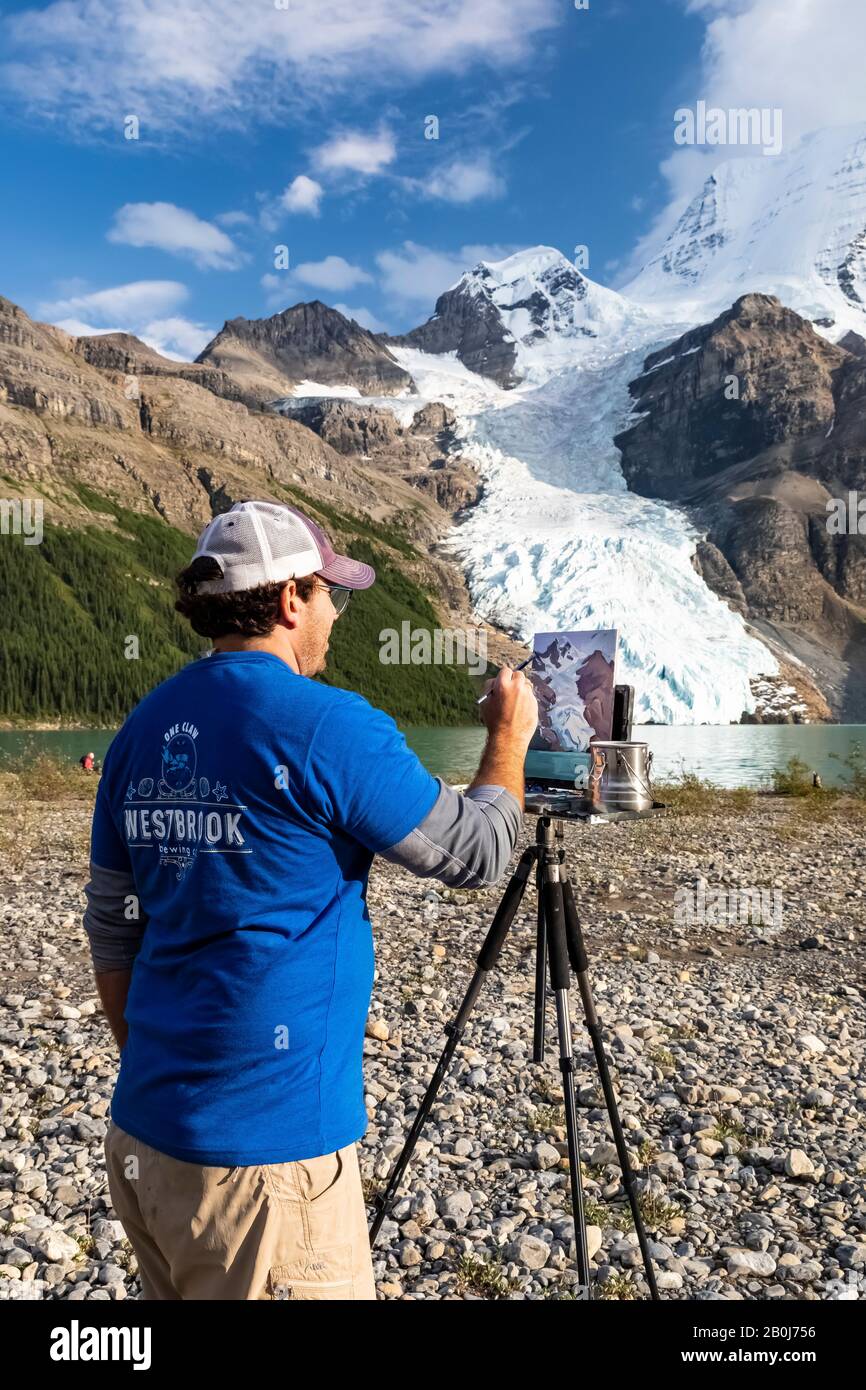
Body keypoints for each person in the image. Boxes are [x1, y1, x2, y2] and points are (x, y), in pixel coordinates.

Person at [83, 499, 538, 1301]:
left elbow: (113, 928)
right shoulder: (326, 726)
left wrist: (161, 1066)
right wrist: (510, 739)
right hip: (267, 1166)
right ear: (292, 598)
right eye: (332, 594)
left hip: (146, 1139)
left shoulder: (141, 728)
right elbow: (475, 852)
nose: (336, 613)